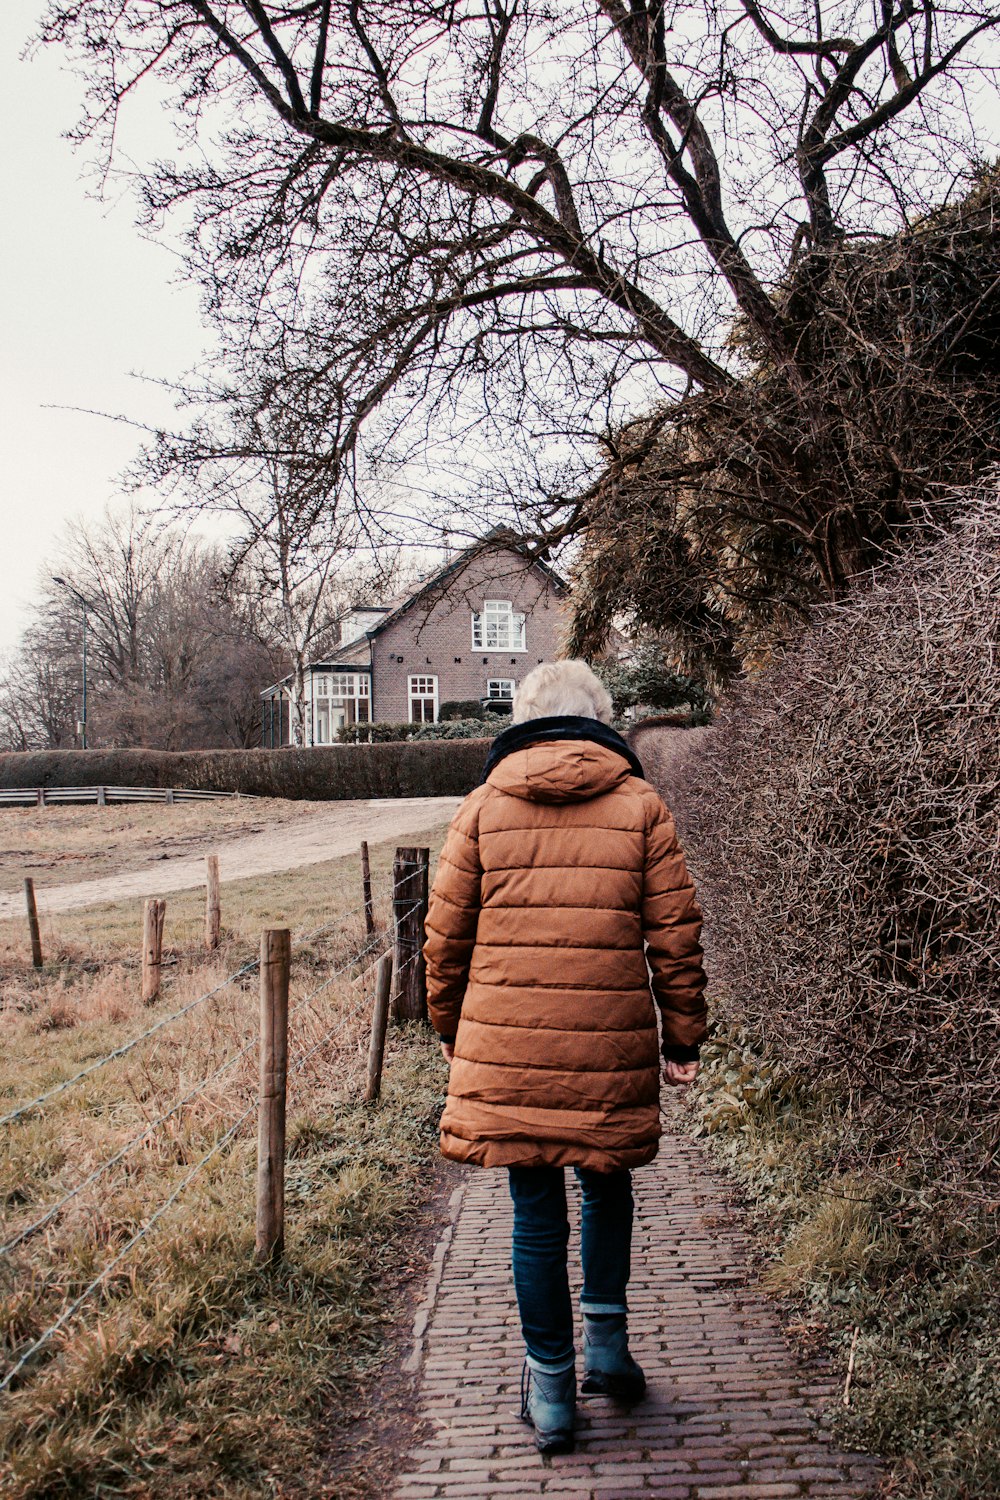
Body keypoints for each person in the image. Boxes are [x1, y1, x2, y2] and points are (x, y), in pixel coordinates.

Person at [423, 659, 707, 1454]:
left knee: (535, 1213)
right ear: (603, 719)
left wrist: (452, 1029)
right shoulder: (640, 803)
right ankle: (608, 1352)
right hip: (608, 1043)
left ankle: (551, 1394)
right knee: (607, 1184)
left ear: (522, 719)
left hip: (508, 1047)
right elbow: (675, 938)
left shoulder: (482, 808)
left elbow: (444, 941)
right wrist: (682, 1036)